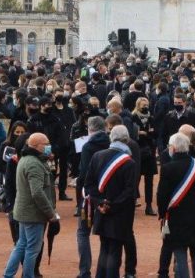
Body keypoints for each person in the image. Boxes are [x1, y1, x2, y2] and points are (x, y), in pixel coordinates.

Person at [83, 125, 138, 278]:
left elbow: (88, 185)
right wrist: (111, 206)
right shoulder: (129, 162)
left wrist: (100, 203)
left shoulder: (97, 156)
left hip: (101, 211)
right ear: (126, 140)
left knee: (104, 249)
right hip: (120, 214)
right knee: (114, 252)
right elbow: (129, 192)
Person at [3, 132, 59, 278]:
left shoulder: (26, 159)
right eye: (45, 144)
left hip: (23, 211)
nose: (48, 146)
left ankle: (8, 275)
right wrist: (50, 214)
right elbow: (37, 193)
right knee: (32, 249)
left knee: (21, 245)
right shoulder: (35, 164)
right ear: (35, 146)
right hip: (33, 214)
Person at [157, 132, 195, 278]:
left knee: (180, 255)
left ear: (173, 148)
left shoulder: (168, 168)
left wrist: (162, 214)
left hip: (176, 218)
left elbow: (162, 196)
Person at [76, 116, 110, 278]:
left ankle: (84, 271)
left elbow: (83, 173)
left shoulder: (88, 146)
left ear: (90, 129)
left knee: (83, 232)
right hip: (108, 195)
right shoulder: (111, 143)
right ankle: (104, 271)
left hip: (89, 194)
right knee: (106, 234)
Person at [131, 97, 157, 215]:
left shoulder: (152, 118)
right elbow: (132, 134)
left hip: (150, 152)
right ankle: (132, 201)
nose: (145, 107)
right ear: (138, 105)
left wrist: (146, 134)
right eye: (143, 105)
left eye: (146, 104)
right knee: (135, 178)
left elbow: (155, 134)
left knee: (149, 180)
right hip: (137, 152)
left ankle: (149, 205)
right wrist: (140, 133)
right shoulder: (133, 117)